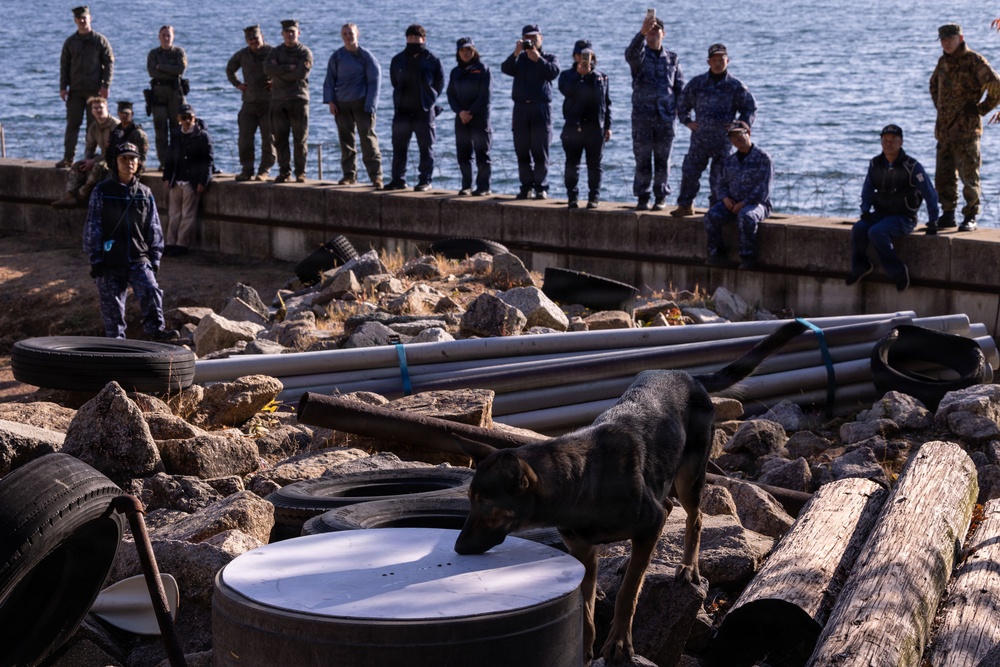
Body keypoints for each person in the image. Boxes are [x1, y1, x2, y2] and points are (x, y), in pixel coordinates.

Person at [84, 142, 177, 341]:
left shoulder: (145, 193)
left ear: (139, 162)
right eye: (123, 159)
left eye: (132, 158)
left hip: (138, 257)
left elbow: (154, 228)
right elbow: (93, 226)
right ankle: (116, 345)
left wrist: (155, 260)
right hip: (109, 260)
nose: (129, 163)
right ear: (114, 163)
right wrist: (96, 259)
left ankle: (157, 333)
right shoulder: (101, 191)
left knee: (151, 290)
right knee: (113, 308)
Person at [846, 125, 939, 292]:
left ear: (901, 142)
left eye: (893, 141)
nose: (888, 144)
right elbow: (867, 190)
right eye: (885, 140)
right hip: (880, 214)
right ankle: (861, 266)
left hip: (904, 217)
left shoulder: (912, 166)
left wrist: (933, 220)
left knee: (876, 232)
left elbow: (929, 193)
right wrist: (865, 210)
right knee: (859, 228)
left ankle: (898, 271)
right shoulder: (875, 164)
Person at [929, 23, 1000, 232]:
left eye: (950, 39)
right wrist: (940, 107)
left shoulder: (974, 61)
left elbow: (996, 86)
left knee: (969, 176)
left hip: (967, 131)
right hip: (944, 131)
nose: (946, 43)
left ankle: (970, 215)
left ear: (960, 38)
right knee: (944, 176)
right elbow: (933, 84)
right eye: (943, 40)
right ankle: (948, 213)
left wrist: (981, 109)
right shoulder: (942, 62)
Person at [672, 44, 756, 217]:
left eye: (722, 60)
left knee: (719, 178)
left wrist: (740, 126)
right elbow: (682, 103)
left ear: (728, 61)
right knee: (690, 172)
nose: (718, 64)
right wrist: (687, 121)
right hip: (700, 139)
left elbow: (750, 108)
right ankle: (685, 205)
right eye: (715, 60)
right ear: (708, 62)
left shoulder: (735, 86)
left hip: (723, 141)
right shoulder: (697, 83)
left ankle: (716, 209)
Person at [625, 14, 683, 211]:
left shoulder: (673, 58)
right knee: (642, 159)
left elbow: (679, 88)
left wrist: (680, 111)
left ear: (663, 34)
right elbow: (630, 54)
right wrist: (641, 32)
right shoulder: (640, 56)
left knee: (663, 160)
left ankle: (660, 196)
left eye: (656, 29)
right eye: (650, 29)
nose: (652, 32)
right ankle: (643, 196)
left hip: (665, 118)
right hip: (643, 118)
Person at [703, 121, 772, 270]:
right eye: (732, 137)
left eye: (739, 135)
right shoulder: (729, 161)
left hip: (757, 204)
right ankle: (717, 253)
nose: (736, 140)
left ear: (748, 134)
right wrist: (726, 199)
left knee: (746, 217)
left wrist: (744, 203)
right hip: (732, 203)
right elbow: (721, 184)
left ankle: (748, 257)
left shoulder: (763, 158)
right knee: (711, 216)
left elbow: (763, 189)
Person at [501, 24, 560, 199]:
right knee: (522, 150)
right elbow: (505, 68)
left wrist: (538, 58)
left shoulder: (549, 57)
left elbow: (553, 73)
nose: (531, 41)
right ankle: (526, 187)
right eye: (528, 38)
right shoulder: (519, 59)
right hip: (520, 108)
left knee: (540, 150)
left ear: (541, 38)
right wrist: (516, 52)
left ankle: (541, 187)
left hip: (541, 108)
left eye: (535, 38)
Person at [323, 23, 384, 188]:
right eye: (345, 34)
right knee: (346, 141)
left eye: (351, 33)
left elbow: (375, 81)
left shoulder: (366, 56)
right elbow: (329, 80)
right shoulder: (337, 56)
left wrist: (371, 104)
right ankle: (349, 175)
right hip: (342, 104)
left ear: (357, 34)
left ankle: (376, 177)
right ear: (342, 36)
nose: (348, 36)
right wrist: (331, 102)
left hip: (362, 103)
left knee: (368, 140)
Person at [385, 25, 445, 192]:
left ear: (423, 39)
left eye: (416, 38)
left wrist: (430, 97)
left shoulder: (433, 59)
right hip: (402, 111)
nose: (413, 40)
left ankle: (425, 180)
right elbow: (394, 81)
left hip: (424, 111)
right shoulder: (397, 59)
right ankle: (398, 179)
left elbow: (439, 83)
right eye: (410, 38)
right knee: (399, 147)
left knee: (426, 148)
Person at [58, 5, 114, 169]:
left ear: (90, 18)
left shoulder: (99, 40)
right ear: (75, 21)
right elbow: (64, 66)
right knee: (72, 125)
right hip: (75, 91)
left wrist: (105, 85)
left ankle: (90, 159)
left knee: (93, 126)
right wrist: (63, 87)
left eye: (84, 18)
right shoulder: (70, 42)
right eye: (79, 19)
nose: (82, 21)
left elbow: (109, 63)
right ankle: (68, 158)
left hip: (94, 91)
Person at [558, 45, 612, 209]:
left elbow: (607, 103)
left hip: (595, 128)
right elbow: (567, 92)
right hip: (573, 127)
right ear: (574, 56)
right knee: (572, 164)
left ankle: (594, 197)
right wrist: (578, 76)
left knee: (595, 165)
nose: (584, 58)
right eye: (581, 55)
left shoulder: (601, 77)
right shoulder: (566, 76)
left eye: (588, 55)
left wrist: (608, 126)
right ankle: (572, 197)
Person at [265, 19, 313, 183]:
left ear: (298, 33)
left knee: (300, 139)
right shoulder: (275, 52)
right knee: (280, 139)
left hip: (298, 100)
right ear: (282, 33)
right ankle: (284, 171)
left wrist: (280, 72)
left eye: (293, 31)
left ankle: (301, 172)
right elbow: (268, 69)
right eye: (287, 32)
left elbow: (301, 74)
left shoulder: (304, 53)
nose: (290, 34)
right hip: (278, 100)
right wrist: (288, 67)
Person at [162, 104, 214, 256]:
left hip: (191, 181)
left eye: (190, 118)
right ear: (179, 119)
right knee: (174, 214)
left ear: (194, 118)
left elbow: (208, 161)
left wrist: (202, 181)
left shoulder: (202, 136)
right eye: (183, 118)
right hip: (176, 180)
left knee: (188, 214)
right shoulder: (176, 134)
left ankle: (182, 244)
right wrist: (166, 176)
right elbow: (169, 157)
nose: (187, 121)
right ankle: (170, 243)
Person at [226, 24, 276, 182]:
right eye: (250, 39)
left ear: (262, 37)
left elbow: (284, 71)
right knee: (245, 138)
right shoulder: (242, 55)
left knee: (268, 138)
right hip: (249, 102)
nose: (253, 41)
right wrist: (237, 84)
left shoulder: (273, 52)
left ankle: (264, 170)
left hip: (268, 103)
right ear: (246, 41)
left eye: (256, 38)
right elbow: (229, 69)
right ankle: (247, 170)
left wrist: (276, 82)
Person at [52, 96, 119, 208]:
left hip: (115, 159)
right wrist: (87, 161)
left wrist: (93, 161)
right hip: (102, 157)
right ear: (92, 111)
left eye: (100, 108)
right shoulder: (93, 127)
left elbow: (115, 151)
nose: (98, 110)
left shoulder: (115, 126)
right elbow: (89, 147)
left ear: (107, 108)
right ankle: (69, 195)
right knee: (78, 165)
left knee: (98, 166)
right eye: (95, 108)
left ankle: (81, 195)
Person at [446, 37, 493, 196]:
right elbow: (451, 96)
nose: (465, 53)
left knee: (482, 153)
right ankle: (467, 186)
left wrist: (471, 112)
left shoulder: (483, 69)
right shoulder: (455, 72)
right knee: (463, 154)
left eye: (468, 50)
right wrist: (460, 112)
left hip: (479, 117)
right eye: (462, 50)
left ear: (474, 51)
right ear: (458, 53)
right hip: (461, 118)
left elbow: (485, 95)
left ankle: (483, 187)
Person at [147, 25, 187, 169]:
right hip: (158, 94)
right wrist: (169, 69)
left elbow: (180, 69)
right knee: (160, 129)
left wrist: (161, 67)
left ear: (173, 36)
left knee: (177, 128)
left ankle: (178, 160)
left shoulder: (179, 52)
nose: (166, 38)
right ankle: (164, 163)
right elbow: (152, 72)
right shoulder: (153, 54)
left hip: (175, 93)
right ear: (159, 37)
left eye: (168, 35)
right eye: (163, 35)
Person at [106, 101, 150, 169]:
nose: (124, 115)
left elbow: (142, 156)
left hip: (131, 167)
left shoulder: (137, 133)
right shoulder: (115, 131)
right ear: (118, 114)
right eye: (121, 113)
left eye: (126, 113)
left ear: (132, 114)